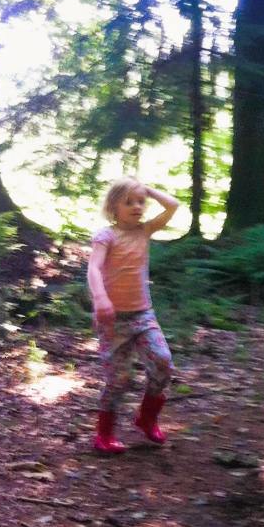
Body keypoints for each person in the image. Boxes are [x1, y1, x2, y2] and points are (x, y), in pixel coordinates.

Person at [86, 177, 180, 455]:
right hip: (113, 320)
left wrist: (146, 188)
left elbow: (173, 205)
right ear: (113, 206)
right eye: (129, 202)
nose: (137, 206)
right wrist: (100, 299)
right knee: (119, 379)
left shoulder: (145, 230)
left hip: (143, 315)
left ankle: (146, 418)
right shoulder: (106, 235)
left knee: (163, 362)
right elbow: (93, 269)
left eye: (141, 202)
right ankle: (104, 434)